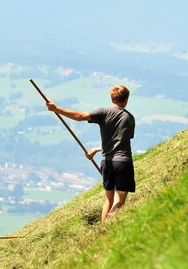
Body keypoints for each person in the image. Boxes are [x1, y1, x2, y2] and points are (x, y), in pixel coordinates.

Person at [45, 85, 135, 223]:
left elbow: (81, 116)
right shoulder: (129, 118)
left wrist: (56, 109)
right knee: (119, 201)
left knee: (109, 200)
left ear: (112, 98)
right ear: (127, 99)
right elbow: (121, 141)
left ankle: (102, 230)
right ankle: (107, 226)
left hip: (107, 163)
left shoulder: (103, 111)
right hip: (123, 162)